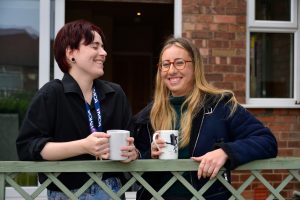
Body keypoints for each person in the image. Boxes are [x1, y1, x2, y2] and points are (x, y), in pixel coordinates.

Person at [132, 37, 278, 200]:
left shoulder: (220, 106)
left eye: (179, 62)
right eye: (165, 64)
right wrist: (148, 156)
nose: (171, 70)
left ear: (195, 67)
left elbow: (267, 141)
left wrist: (226, 152)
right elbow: (134, 164)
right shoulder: (148, 115)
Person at [16, 19, 139, 200]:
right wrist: (84, 146)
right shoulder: (51, 94)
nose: (103, 53)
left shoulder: (115, 94)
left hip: (113, 190)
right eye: (95, 46)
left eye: (103, 47)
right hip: (65, 193)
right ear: (71, 53)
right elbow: (27, 147)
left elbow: (134, 145)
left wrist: (132, 153)